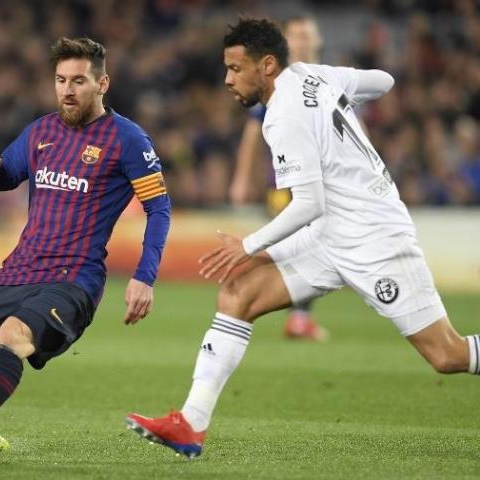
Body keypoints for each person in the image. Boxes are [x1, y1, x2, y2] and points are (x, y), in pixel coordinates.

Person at [126, 17, 479, 458]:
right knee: (238, 292)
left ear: (267, 65)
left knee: (447, 356)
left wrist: (248, 244)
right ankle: (190, 425)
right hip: (331, 233)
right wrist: (338, 99)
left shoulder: (283, 115)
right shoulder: (313, 75)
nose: (227, 79)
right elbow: (383, 80)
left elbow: (307, 202)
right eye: (227, 68)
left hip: (374, 238)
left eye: (236, 69)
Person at [0, 37, 171, 462]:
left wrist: (145, 275)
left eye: (79, 81)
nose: (68, 90)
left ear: (103, 83)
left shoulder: (128, 139)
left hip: (73, 279)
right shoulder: (41, 131)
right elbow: (8, 175)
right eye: (61, 80)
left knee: (14, 335)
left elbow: (159, 208)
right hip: (17, 271)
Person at [229, 15, 327, 340]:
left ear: (317, 41)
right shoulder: (277, 79)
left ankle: (287, 312)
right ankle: (285, 312)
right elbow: (253, 129)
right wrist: (243, 178)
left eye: (306, 35)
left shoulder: (326, 78)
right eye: (296, 35)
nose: (302, 41)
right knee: (298, 246)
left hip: (327, 182)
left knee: (312, 246)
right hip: (285, 181)